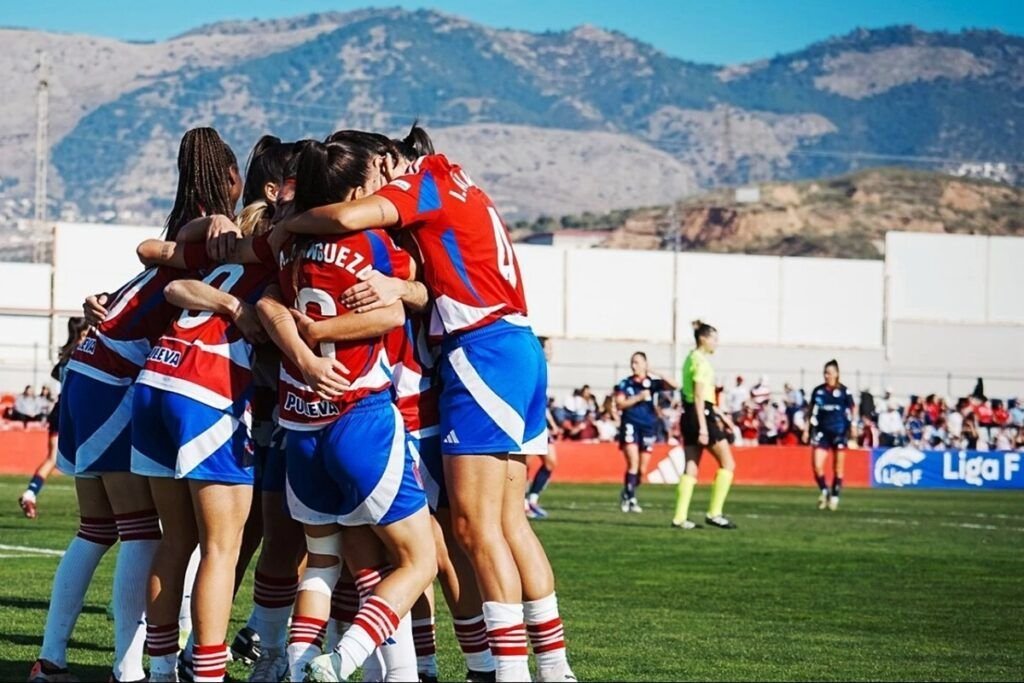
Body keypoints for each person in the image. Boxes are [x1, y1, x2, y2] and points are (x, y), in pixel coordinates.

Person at [277, 124, 575, 683]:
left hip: (473, 354)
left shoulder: (424, 182)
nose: (378, 196)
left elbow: (346, 222)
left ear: (390, 163)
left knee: (467, 529)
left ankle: (497, 671)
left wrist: (287, 225)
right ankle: (548, 668)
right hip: (506, 346)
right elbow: (417, 278)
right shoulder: (455, 185)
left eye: (377, 177)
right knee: (498, 526)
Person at [28, 127, 242, 683]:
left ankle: (52, 661)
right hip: (114, 378)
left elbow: (148, 260)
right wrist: (215, 224)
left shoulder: (180, 237)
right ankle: (128, 669)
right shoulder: (213, 240)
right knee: (144, 530)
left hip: (88, 369)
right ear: (232, 179)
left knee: (98, 529)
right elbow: (158, 257)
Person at [18, 317, 90, 519]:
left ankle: (30, 493)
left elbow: (56, 374)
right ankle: (91, 506)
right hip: (74, 412)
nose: (87, 338)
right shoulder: (83, 355)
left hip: (59, 410)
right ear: (79, 335)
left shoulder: (65, 357)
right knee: (85, 460)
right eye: (84, 334)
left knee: (52, 458)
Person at [672, 321, 737, 530]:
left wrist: (720, 415)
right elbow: (700, 395)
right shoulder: (701, 362)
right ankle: (714, 513)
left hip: (691, 413)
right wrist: (703, 426)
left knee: (691, 465)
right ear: (703, 339)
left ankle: (680, 517)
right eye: (714, 339)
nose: (716, 343)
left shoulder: (689, 359)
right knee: (728, 463)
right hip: (701, 415)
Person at [614, 351, 677, 513]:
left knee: (642, 469)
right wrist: (638, 398)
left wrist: (656, 372)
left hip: (648, 426)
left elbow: (675, 385)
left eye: (637, 362)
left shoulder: (652, 383)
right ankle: (631, 499)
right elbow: (620, 404)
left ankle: (628, 492)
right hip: (631, 424)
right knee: (633, 463)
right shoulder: (625, 384)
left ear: (645, 364)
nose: (634, 366)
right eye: (632, 362)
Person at [806, 360, 855, 511]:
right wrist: (807, 429)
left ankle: (834, 496)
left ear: (837, 374)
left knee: (838, 468)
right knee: (817, 465)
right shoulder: (818, 391)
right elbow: (811, 410)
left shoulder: (844, 392)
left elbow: (852, 409)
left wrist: (853, 427)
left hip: (839, 432)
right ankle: (824, 491)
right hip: (822, 432)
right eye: (825, 372)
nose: (827, 375)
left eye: (830, 372)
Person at [525, 336, 559, 520]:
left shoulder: (545, 368)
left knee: (551, 462)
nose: (551, 351)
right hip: (530, 423)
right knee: (525, 465)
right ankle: (521, 504)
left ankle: (533, 498)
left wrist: (552, 424)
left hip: (541, 422)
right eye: (549, 347)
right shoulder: (532, 366)